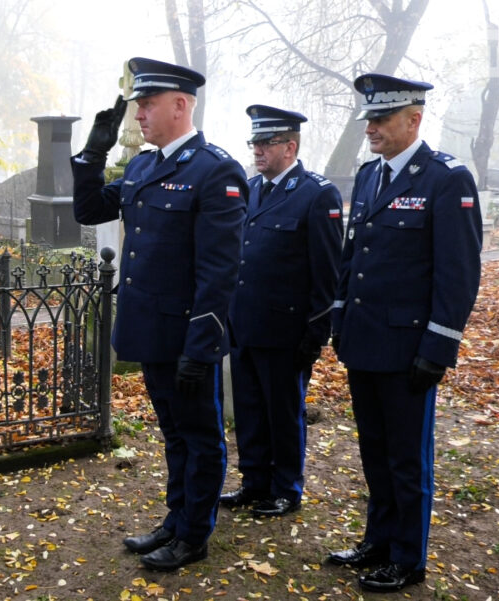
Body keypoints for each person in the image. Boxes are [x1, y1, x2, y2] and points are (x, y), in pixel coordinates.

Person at [70, 57, 247, 572]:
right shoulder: (145, 165)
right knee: (174, 433)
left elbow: (220, 271)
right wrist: (93, 153)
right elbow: (89, 211)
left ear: (180, 104)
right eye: (138, 105)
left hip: (188, 336)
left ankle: (195, 535)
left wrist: (202, 345)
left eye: (147, 104)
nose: (139, 115)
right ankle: (176, 519)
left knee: (201, 436)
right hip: (150, 328)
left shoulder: (216, 170)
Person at [327, 74, 482, 593]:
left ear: (413, 119)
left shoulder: (445, 179)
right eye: (368, 119)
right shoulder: (370, 176)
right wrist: (340, 319)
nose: (370, 128)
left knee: (406, 457)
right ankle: (378, 538)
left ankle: (408, 556)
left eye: (381, 119)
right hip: (365, 341)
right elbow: (354, 261)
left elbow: (457, 273)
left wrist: (439, 346)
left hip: (410, 347)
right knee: (373, 448)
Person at [220, 105, 343, 518]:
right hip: (245, 324)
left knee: (283, 413)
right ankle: (254, 482)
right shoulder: (252, 189)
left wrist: (315, 332)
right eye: (254, 142)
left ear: (290, 146)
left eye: (265, 143)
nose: (256, 149)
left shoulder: (316, 194)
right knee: (251, 411)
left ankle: (286, 488)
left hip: (286, 329)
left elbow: (327, 272)